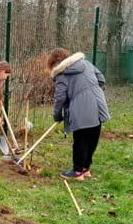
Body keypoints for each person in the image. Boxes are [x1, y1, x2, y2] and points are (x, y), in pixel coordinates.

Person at [46, 48, 110, 180]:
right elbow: (101, 79)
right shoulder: (86, 64)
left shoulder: (61, 74)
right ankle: (86, 168)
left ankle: (77, 171)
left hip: (81, 107)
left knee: (80, 139)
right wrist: (91, 90)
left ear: (54, 64)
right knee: (93, 136)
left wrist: (57, 115)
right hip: (98, 103)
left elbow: (60, 98)